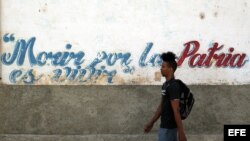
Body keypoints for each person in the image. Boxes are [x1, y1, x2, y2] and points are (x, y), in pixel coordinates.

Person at [144, 52, 187, 141]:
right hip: (164, 127)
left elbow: (176, 110)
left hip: (170, 128)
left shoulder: (173, 86)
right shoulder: (165, 85)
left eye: (163, 66)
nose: (161, 69)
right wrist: (151, 123)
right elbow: (162, 106)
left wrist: (181, 133)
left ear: (170, 69)